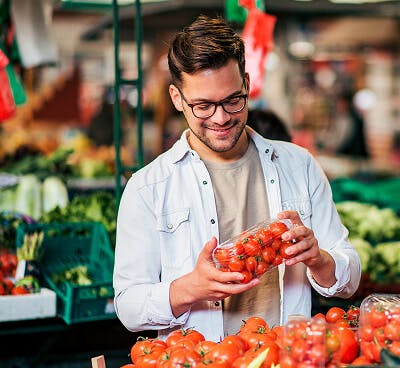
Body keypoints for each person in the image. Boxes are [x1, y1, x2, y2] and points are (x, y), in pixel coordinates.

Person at [112, 15, 361, 342]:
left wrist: (318, 259)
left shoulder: (298, 165)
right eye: (203, 105)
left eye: (233, 100)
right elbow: (128, 307)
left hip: (286, 358)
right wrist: (190, 288)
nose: (221, 117)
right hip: (200, 361)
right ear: (176, 98)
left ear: (245, 82)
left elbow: (350, 277)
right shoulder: (148, 187)